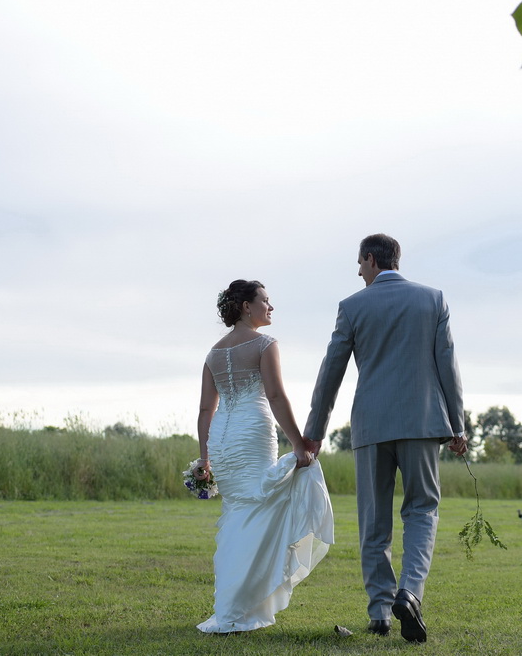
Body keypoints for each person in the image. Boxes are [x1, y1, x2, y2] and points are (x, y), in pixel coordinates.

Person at [302, 234, 467, 643]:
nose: (358, 272)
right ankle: (410, 592)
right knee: (422, 511)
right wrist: (457, 425)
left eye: (359, 263)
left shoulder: (353, 306)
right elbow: (448, 364)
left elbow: (330, 374)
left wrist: (314, 433)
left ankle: (379, 611)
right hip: (423, 423)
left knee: (373, 518)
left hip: (372, 428)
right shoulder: (433, 300)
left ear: (372, 260)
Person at [195, 279, 334, 634]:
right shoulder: (265, 344)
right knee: (259, 508)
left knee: (241, 514)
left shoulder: (213, 353)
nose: (271, 308)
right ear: (246, 306)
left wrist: (205, 460)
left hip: (224, 440)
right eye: (266, 301)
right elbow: (274, 395)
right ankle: (240, 606)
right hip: (251, 434)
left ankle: (233, 605)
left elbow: (205, 411)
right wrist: (299, 444)